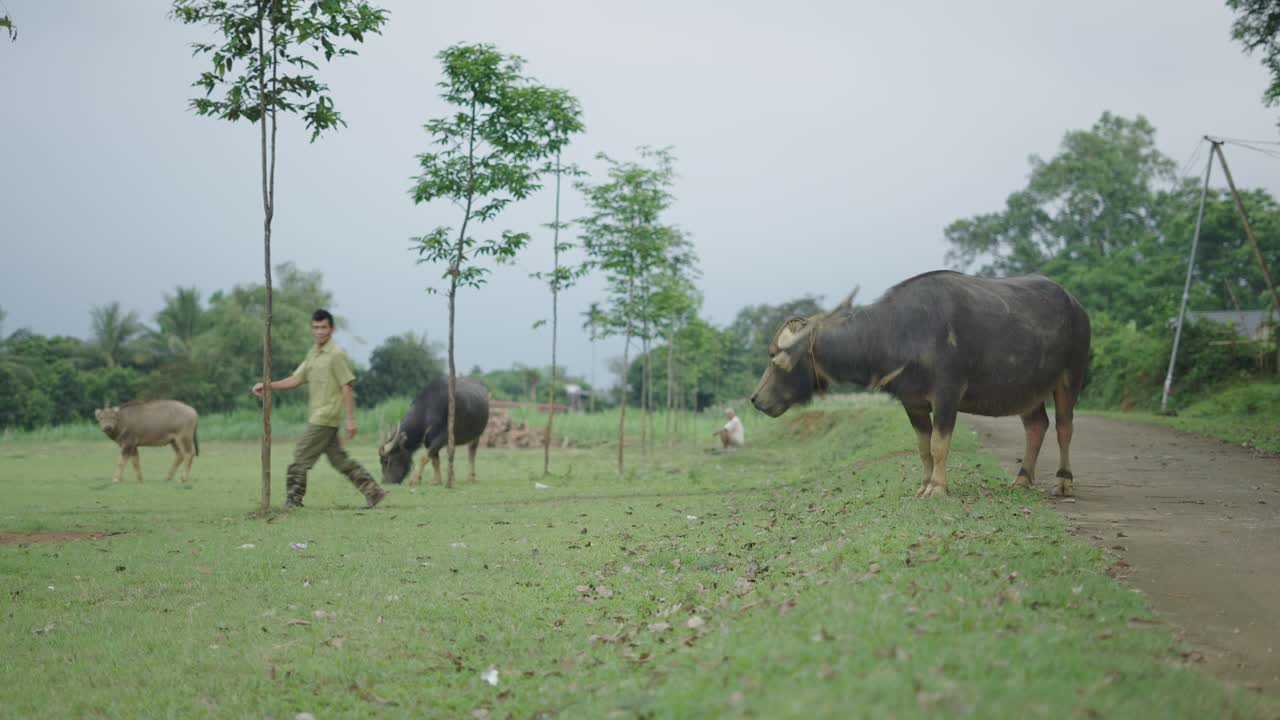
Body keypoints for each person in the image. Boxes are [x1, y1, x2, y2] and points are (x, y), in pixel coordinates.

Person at [252, 309, 387, 510]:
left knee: (300, 455)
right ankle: (373, 491)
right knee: (339, 460)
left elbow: (347, 386)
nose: (319, 331)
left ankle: (293, 500)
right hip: (318, 415)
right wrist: (268, 384)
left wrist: (350, 419)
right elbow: (296, 379)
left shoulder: (336, 355)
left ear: (332, 329)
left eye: (323, 327)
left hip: (326, 416)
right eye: (315, 327)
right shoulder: (313, 353)